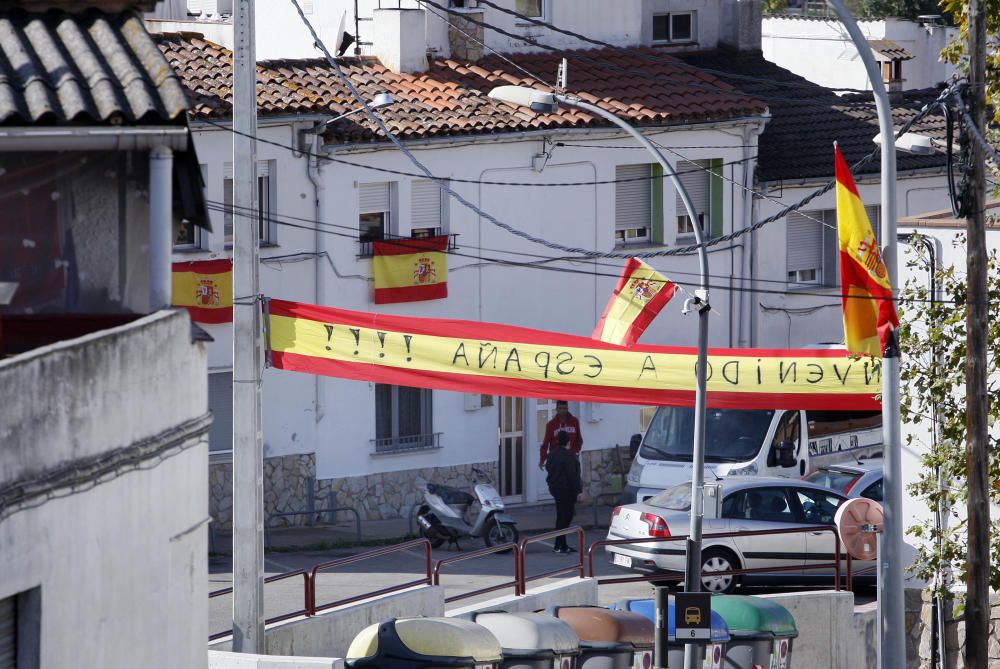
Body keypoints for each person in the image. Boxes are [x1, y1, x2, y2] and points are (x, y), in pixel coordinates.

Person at [545, 431, 583, 553]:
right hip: (566, 491)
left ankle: (559, 544)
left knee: (561, 516)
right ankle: (561, 544)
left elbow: (548, 468)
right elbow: (573, 476)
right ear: (568, 441)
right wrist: (579, 491)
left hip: (555, 489)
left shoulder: (552, 454)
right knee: (566, 516)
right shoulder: (569, 456)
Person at [538, 400, 583, 470]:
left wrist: (575, 451)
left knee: (574, 479)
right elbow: (545, 444)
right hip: (556, 459)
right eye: (560, 408)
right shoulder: (551, 425)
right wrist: (542, 460)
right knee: (556, 480)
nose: (563, 410)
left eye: (565, 408)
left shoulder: (574, 421)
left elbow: (579, 439)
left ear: (568, 408)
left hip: (571, 457)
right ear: (556, 409)